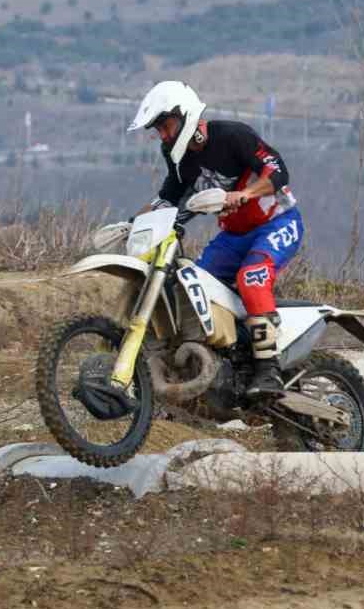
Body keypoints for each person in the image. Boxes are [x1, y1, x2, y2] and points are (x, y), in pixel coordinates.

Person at [127, 80, 303, 398]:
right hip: (233, 236)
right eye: (159, 131)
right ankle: (230, 361)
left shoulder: (232, 136)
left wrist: (245, 193)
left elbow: (278, 171)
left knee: (250, 278)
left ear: (186, 115)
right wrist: (133, 223)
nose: (164, 136)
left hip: (277, 223)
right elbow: (169, 196)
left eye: (166, 126)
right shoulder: (175, 155)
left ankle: (269, 370)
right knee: (195, 290)